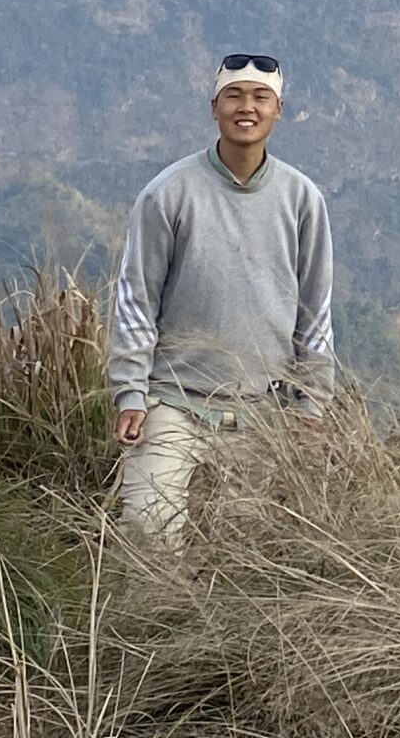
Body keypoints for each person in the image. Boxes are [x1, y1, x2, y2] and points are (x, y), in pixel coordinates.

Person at [105, 51, 336, 544]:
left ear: (279, 110)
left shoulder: (301, 199)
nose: (245, 107)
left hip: (263, 409)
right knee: (148, 540)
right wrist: (130, 393)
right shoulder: (168, 193)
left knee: (245, 554)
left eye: (260, 98)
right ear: (214, 107)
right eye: (233, 96)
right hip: (170, 401)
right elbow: (135, 300)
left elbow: (315, 315)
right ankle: (140, 623)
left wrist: (310, 406)